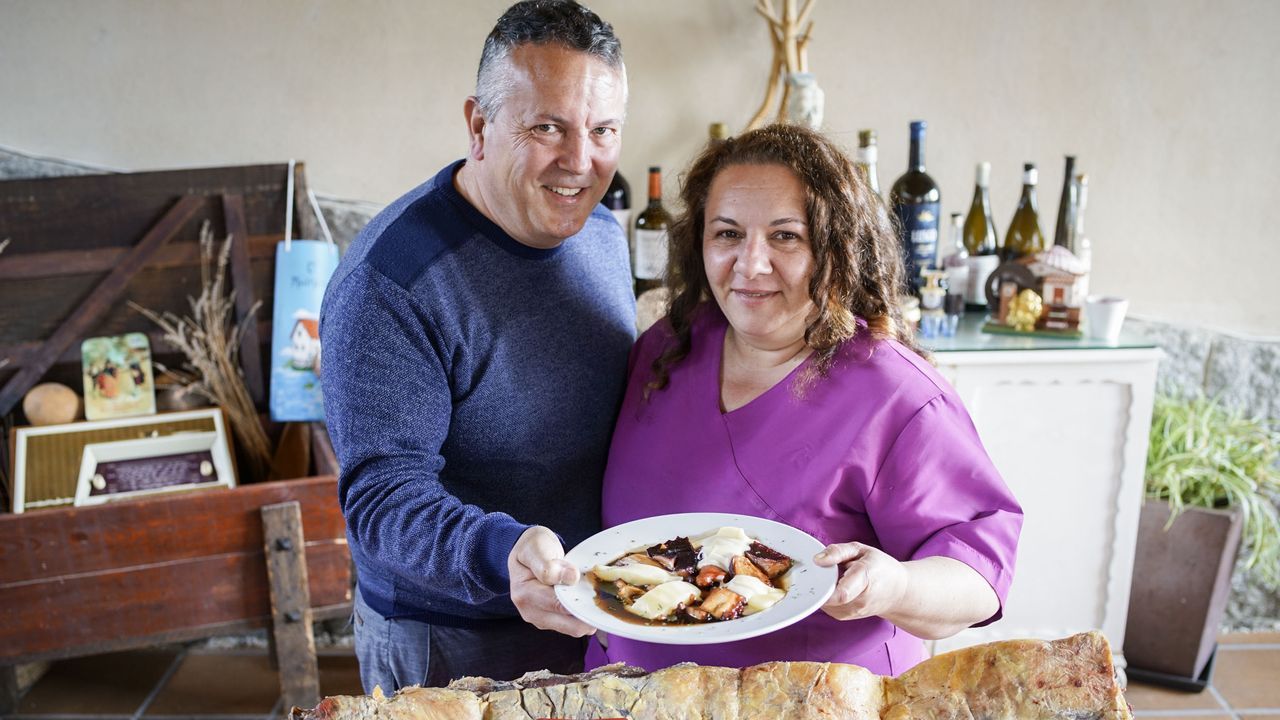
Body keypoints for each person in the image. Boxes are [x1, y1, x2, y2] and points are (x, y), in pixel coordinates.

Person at [591, 124, 1023, 675]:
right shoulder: (667, 349)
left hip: (813, 699)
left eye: (785, 236)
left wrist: (894, 586)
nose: (750, 263)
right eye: (726, 233)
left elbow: (980, 576)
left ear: (835, 248)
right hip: (632, 693)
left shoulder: (895, 395)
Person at [320, 0, 634, 694]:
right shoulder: (391, 283)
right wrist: (502, 553)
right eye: (547, 127)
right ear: (479, 125)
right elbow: (381, 499)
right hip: (448, 639)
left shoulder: (602, 231)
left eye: (603, 130)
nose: (579, 162)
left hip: (590, 614)